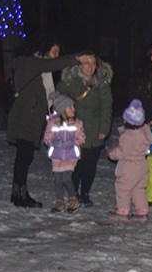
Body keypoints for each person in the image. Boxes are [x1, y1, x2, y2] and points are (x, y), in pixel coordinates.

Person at [7, 42, 91, 207]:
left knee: (24, 156)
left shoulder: (37, 68)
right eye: (54, 51)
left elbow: (46, 95)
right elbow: (52, 65)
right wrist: (75, 59)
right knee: (24, 156)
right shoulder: (33, 63)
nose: (56, 55)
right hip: (25, 118)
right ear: (44, 50)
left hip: (28, 118)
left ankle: (17, 192)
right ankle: (20, 195)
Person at [56, 54, 113, 207]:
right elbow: (58, 97)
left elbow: (107, 106)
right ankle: (73, 194)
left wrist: (104, 128)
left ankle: (85, 193)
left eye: (93, 63)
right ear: (79, 64)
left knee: (90, 165)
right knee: (75, 165)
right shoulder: (69, 81)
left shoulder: (102, 82)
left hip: (94, 130)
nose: (90, 66)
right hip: (74, 130)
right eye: (86, 62)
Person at [106, 99, 152, 221]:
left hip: (130, 166)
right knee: (139, 189)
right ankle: (142, 212)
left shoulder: (128, 137)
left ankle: (122, 211)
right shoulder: (144, 131)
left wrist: (111, 153)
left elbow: (122, 152)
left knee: (123, 188)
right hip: (142, 165)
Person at [43, 92, 86, 214]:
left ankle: (73, 198)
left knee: (67, 178)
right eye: (70, 107)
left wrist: (74, 143)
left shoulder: (77, 123)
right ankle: (59, 200)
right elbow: (47, 137)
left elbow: (81, 137)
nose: (73, 109)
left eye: (73, 106)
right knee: (57, 179)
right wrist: (52, 141)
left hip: (70, 155)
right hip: (57, 155)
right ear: (62, 110)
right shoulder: (53, 123)